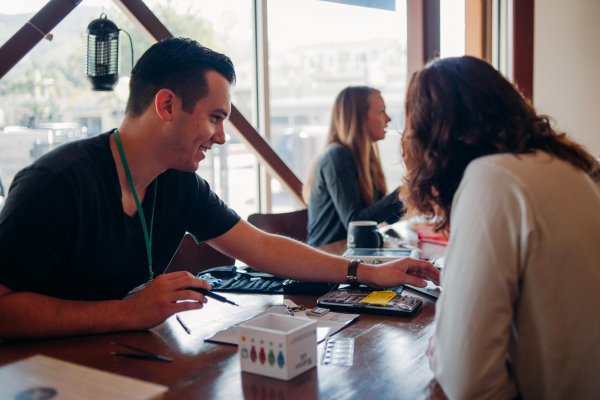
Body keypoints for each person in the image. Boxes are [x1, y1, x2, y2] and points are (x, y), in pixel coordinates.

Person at [0, 38, 439, 339]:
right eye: (215, 117)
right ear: (167, 105)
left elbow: (262, 248)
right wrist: (125, 312)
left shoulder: (180, 183)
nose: (222, 136)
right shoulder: (55, 185)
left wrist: (364, 273)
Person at [401, 56, 600, 399]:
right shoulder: (571, 169)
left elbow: (467, 381)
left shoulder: (494, 180)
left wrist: (444, 352)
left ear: (434, 137)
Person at [304, 86, 405, 247]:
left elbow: (381, 215)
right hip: (327, 257)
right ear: (358, 118)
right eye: (381, 111)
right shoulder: (336, 156)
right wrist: (403, 193)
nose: (388, 119)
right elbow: (355, 223)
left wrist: (413, 197)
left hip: (350, 254)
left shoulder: (365, 158)